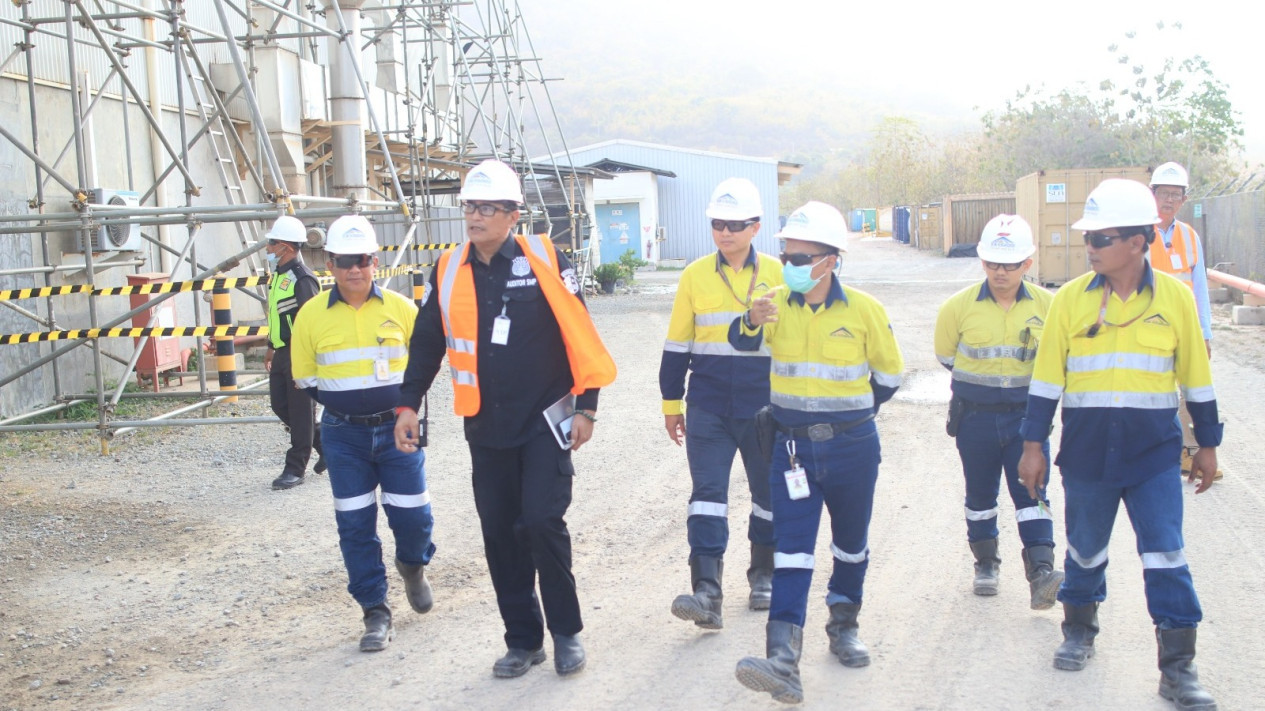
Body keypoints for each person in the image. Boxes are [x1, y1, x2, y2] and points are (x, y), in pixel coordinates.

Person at [394, 159, 616, 679]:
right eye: (469, 206)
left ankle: (566, 633)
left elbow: (580, 332)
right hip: (486, 425)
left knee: (541, 521)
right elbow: (426, 343)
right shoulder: (448, 269)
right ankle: (523, 640)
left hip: (544, 419)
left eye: (487, 208)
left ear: (514, 214)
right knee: (499, 533)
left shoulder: (545, 258)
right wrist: (408, 404)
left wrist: (587, 407)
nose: (475, 216)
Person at [1017, 178, 1221, 711]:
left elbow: (1196, 380)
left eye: (1100, 238)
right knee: (1084, 550)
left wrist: (1208, 444)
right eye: (1088, 237)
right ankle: (1078, 631)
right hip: (1087, 454)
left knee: (1165, 553)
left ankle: (1178, 668)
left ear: (1137, 241)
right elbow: (1046, 381)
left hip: (1153, 455)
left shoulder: (1175, 300)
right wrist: (1032, 446)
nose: (1089, 246)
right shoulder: (1069, 302)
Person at [730, 202, 904, 704]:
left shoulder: (865, 311)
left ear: (831, 260)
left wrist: (846, 416)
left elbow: (889, 377)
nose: (789, 265)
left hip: (852, 447)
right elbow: (742, 342)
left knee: (851, 545)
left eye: (801, 258)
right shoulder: (772, 304)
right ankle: (782, 660)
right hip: (791, 450)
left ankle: (844, 626)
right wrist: (750, 318)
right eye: (787, 256)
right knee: (791, 549)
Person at [290, 214, 437, 652]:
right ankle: (375, 611)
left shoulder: (402, 309)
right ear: (330, 264)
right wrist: (348, 405)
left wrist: (401, 408)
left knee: (413, 517)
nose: (354, 268)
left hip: (397, 430)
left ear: (376, 261)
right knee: (355, 525)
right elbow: (305, 378)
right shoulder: (310, 316)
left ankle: (412, 566)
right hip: (344, 436)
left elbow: (424, 364)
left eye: (363, 259)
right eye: (344, 260)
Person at [660, 177, 782, 630]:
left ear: (755, 227)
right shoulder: (694, 275)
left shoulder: (779, 274)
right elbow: (677, 343)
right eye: (717, 224)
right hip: (708, 404)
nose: (724, 232)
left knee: (768, 495)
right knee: (707, 497)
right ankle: (706, 591)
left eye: (734, 224)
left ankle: (764, 575)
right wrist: (671, 404)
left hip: (764, 406)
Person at [934, 214, 1062, 607]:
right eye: (992, 263)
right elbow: (946, 355)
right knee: (980, 494)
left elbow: (1059, 360)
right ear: (982, 261)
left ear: (1028, 263)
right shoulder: (957, 308)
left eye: (1009, 264)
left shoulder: (1050, 307)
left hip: (1027, 419)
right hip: (975, 418)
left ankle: (1041, 572)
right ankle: (986, 563)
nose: (1000, 272)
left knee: (1033, 492)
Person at [1148, 162, 1219, 482]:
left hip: (1185, 328)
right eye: (1164, 193)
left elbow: (1200, 287)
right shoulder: (1139, 234)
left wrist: (1205, 332)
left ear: (1184, 199)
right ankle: (1156, 451)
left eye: (1175, 195)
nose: (1169, 200)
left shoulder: (1190, 236)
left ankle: (1190, 453)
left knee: (1192, 388)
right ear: (1152, 194)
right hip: (1149, 327)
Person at [262, 215, 325, 490]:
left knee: (301, 412)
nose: (268, 248)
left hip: (298, 353)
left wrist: (307, 362)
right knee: (280, 405)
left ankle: (295, 468)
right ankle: (327, 446)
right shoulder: (279, 276)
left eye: (272, 243)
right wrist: (270, 347)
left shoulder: (303, 279)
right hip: (281, 353)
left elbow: (312, 324)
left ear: (285, 247)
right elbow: (278, 317)